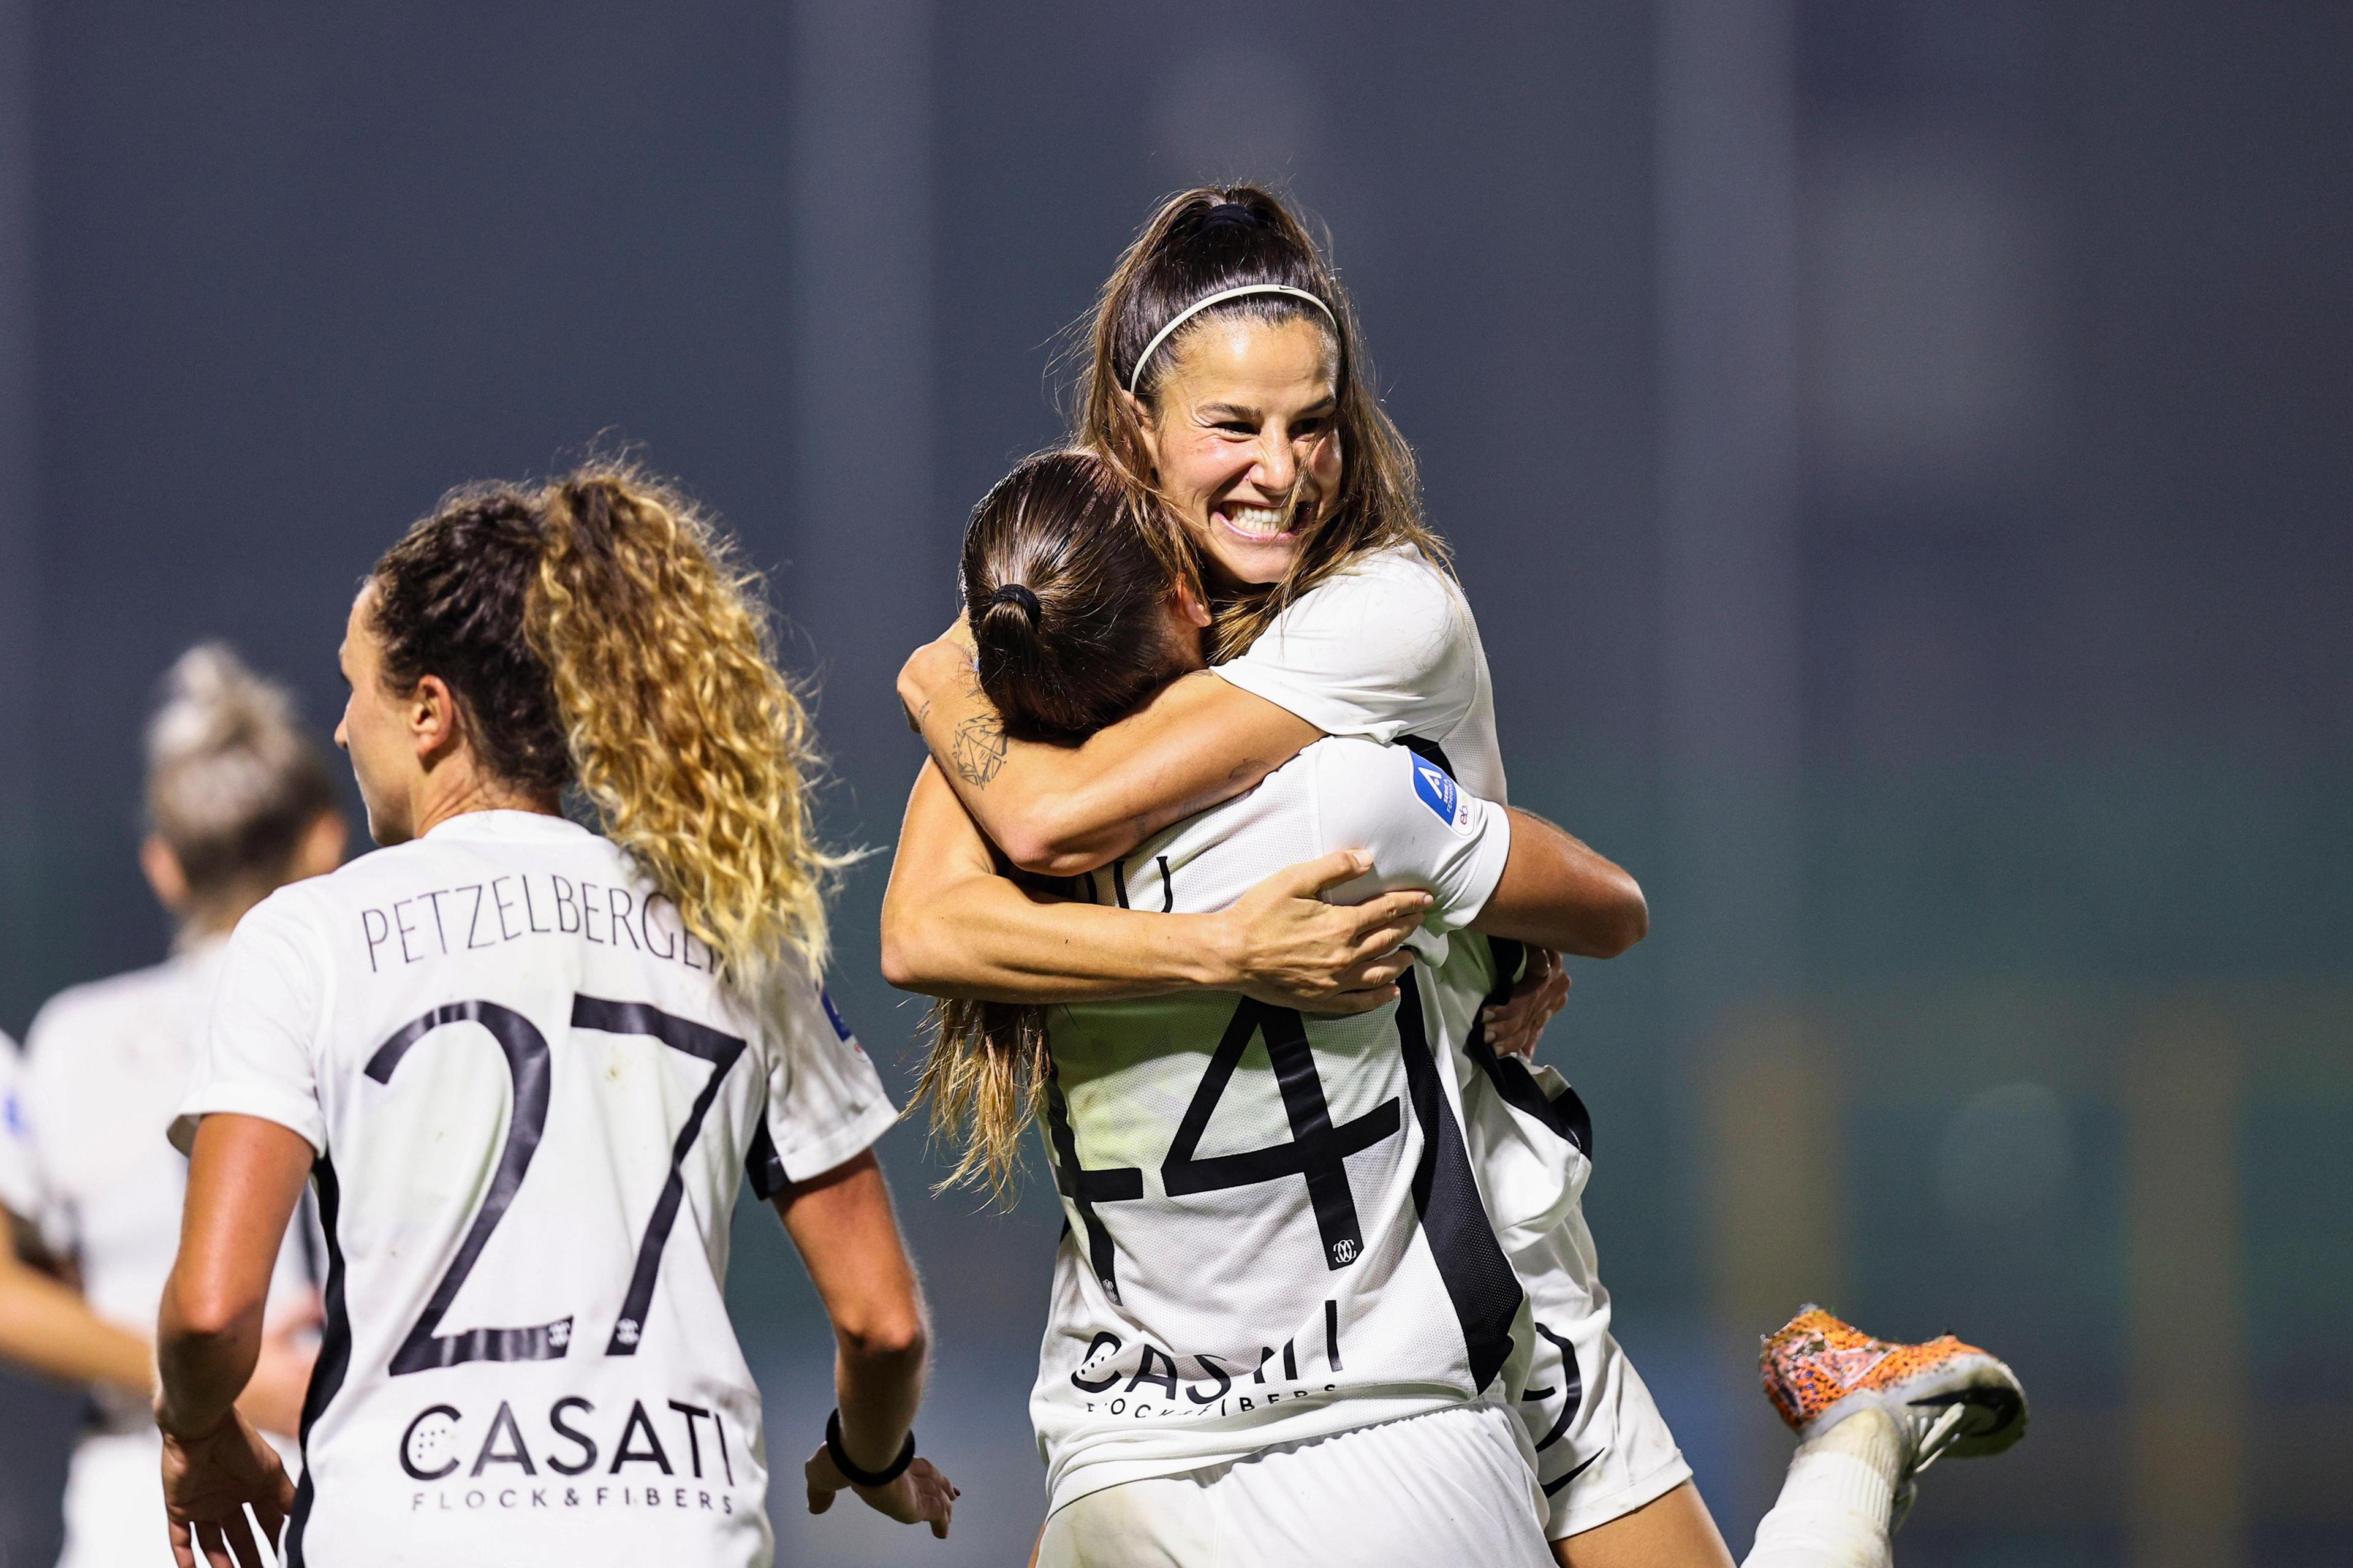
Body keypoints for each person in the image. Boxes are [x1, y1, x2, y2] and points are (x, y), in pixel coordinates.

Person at [888, 449, 2026, 1568]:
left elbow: (921, 928)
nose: (1275, 472)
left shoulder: (991, 833)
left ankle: (1861, 1434)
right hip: (1376, 1400)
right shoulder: (1353, 791)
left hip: (1161, 1425)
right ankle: (1860, 1443)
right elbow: (1613, 908)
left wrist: (942, 682)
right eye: (1235, 428)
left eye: (1303, 421)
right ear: (1184, 592)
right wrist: (1457, 913)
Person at [152, 466, 954, 1568]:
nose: (341, 731)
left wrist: (199, 1433)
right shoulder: (741, 934)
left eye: (356, 692)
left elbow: (208, 1314)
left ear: (430, 713)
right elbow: (884, 1323)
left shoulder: (308, 939)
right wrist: (870, 1459)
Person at [2, 645, 339, 1568]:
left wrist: (181, 1381)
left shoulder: (72, 1037)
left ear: (164, 866)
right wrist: (264, 1385)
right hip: (354, 1476)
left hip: (140, 1505)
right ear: (323, 838)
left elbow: (18, 1288)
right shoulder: (378, 1007)